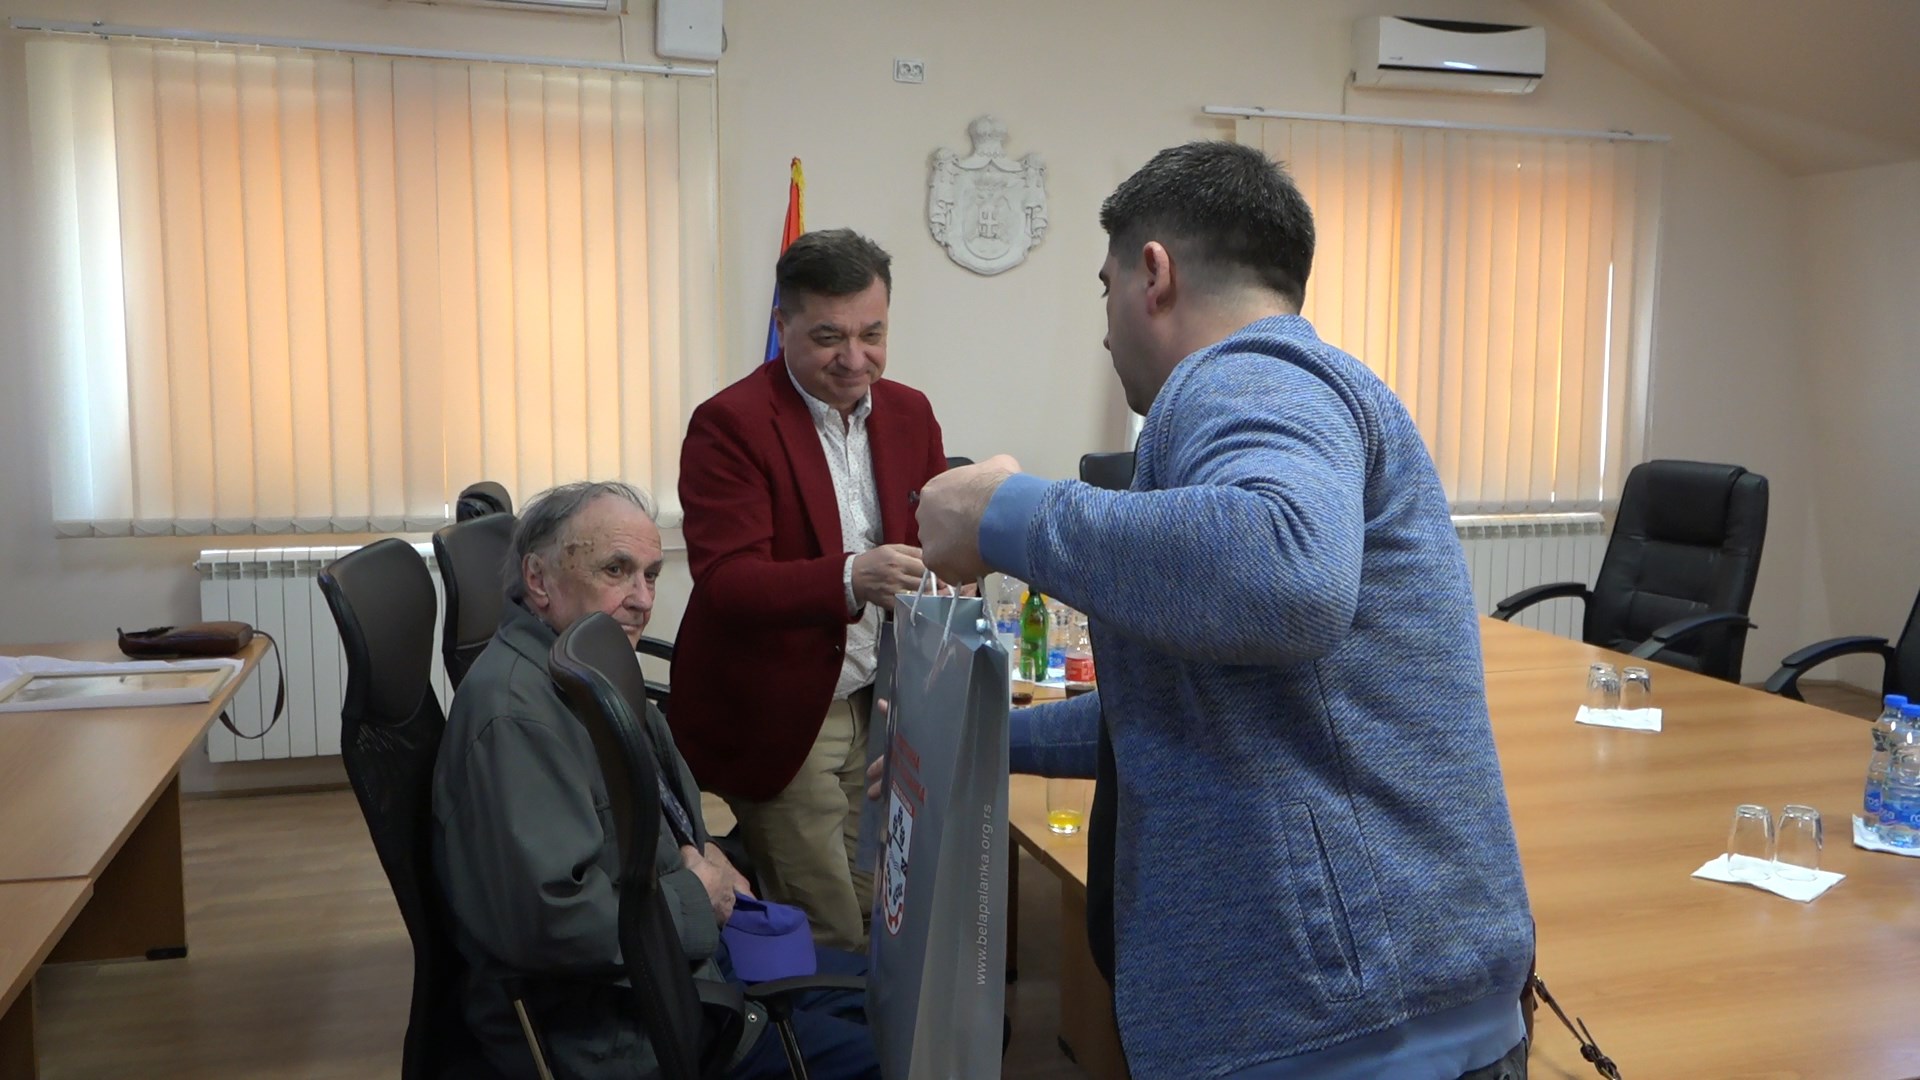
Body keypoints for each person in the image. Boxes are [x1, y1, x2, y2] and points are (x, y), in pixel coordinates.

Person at [911, 142, 1535, 1079]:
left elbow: (1287, 576)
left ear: (1153, 274)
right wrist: (986, 732)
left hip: (1347, 1036)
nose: (1105, 331)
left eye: (1105, 288)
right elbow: (1187, 711)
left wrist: (1000, 512)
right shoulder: (1291, 386)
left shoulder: (1248, 374)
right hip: (1380, 1015)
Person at [433, 480, 878, 1079]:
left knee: (900, 1000)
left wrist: (707, 854)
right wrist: (699, 895)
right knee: (909, 1050)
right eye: (616, 570)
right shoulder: (517, 718)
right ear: (538, 579)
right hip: (634, 1027)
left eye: (650, 575)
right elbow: (552, 922)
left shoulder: (584, 663)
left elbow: (650, 819)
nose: (642, 600)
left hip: (685, 966)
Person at [672, 229, 950, 952]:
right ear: (783, 324)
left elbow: (933, 538)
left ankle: (851, 1013)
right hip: (782, 710)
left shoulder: (911, 413)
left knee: (878, 909)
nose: (855, 359)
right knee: (829, 929)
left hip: (877, 699)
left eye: (872, 334)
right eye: (829, 337)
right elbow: (727, 581)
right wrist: (852, 576)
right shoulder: (730, 424)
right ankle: (809, 1020)